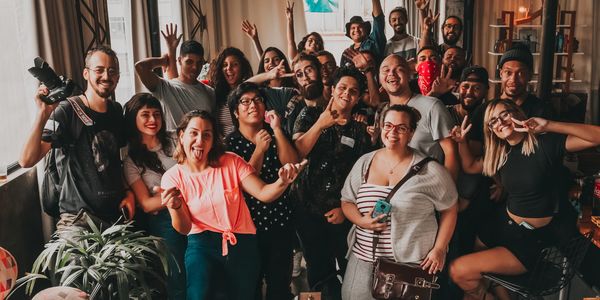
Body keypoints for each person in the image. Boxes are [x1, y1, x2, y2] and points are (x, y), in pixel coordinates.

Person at [448, 99, 600, 300]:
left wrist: (549, 125)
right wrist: (462, 143)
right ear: (491, 130)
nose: (500, 122)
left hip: (529, 239)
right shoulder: (501, 154)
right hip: (504, 224)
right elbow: (469, 166)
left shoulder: (544, 143)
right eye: (493, 121)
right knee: (472, 250)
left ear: (517, 114)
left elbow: (597, 136)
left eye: (504, 114)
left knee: (459, 271)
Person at [160, 110, 305, 300]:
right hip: (201, 246)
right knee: (198, 294)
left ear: (213, 140)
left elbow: (263, 193)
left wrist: (283, 182)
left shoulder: (231, 161)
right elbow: (184, 228)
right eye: (193, 133)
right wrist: (177, 207)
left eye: (207, 135)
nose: (199, 141)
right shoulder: (172, 177)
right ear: (181, 136)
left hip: (242, 243)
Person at [341, 104, 458, 300]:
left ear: (411, 133)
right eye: (388, 125)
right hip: (363, 259)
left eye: (401, 128)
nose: (392, 132)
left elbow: (450, 208)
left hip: (409, 265)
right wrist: (361, 221)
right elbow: (347, 201)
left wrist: (439, 249)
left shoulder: (431, 170)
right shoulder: (365, 162)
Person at [19, 46, 134, 234]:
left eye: (112, 71)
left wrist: (128, 191)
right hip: (78, 222)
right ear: (86, 73)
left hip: (115, 219)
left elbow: (114, 160)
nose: (106, 75)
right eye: (99, 70)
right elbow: (26, 160)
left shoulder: (115, 110)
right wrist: (42, 113)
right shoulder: (67, 110)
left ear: (118, 77)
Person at [292, 67, 372, 299]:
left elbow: (361, 178)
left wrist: (344, 209)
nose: (347, 94)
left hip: (340, 210)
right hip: (306, 207)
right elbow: (297, 154)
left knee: (348, 270)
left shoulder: (360, 132)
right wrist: (320, 124)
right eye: (343, 88)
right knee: (317, 270)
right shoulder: (309, 114)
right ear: (333, 90)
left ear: (358, 97)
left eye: (354, 91)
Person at [225, 82, 299, 300]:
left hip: (280, 221)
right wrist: (259, 149)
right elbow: (243, 185)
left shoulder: (274, 133)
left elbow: (292, 163)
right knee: (250, 287)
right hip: (248, 227)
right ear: (235, 112)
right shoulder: (230, 144)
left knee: (280, 286)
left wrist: (276, 130)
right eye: (245, 101)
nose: (253, 105)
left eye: (258, 100)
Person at [122, 93, 186, 299]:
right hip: (164, 222)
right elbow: (147, 204)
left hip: (196, 210)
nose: (152, 120)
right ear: (134, 119)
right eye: (145, 115)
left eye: (157, 114)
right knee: (176, 275)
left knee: (202, 269)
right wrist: (181, 193)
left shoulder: (176, 139)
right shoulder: (131, 161)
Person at [376, 54, 458, 180]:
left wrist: (447, 192)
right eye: (386, 70)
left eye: (399, 69)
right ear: (380, 78)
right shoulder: (382, 111)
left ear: (409, 75)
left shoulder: (432, 106)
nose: (391, 73)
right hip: (393, 191)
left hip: (427, 188)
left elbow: (451, 152)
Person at [135, 24, 215, 131]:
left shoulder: (209, 92)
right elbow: (140, 67)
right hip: (173, 147)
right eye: (189, 62)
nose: (195, 67)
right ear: (179, 61)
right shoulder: (165, 87)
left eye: (199, 63)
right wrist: (163, 61)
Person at [207, 47, 254, 137]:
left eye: (234, 64)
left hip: (249, 145)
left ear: (242, 67)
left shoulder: (250, 91)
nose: (229, 68)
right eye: (225, 65)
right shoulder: (216, 94)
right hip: (224, 147)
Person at [340, 0, 386, 68]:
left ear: (366, 30)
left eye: (360, 27)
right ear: (349, 33)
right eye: (353, 28)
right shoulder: (346, 53)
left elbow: (379, 20)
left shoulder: (373, 42)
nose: (356, 30)